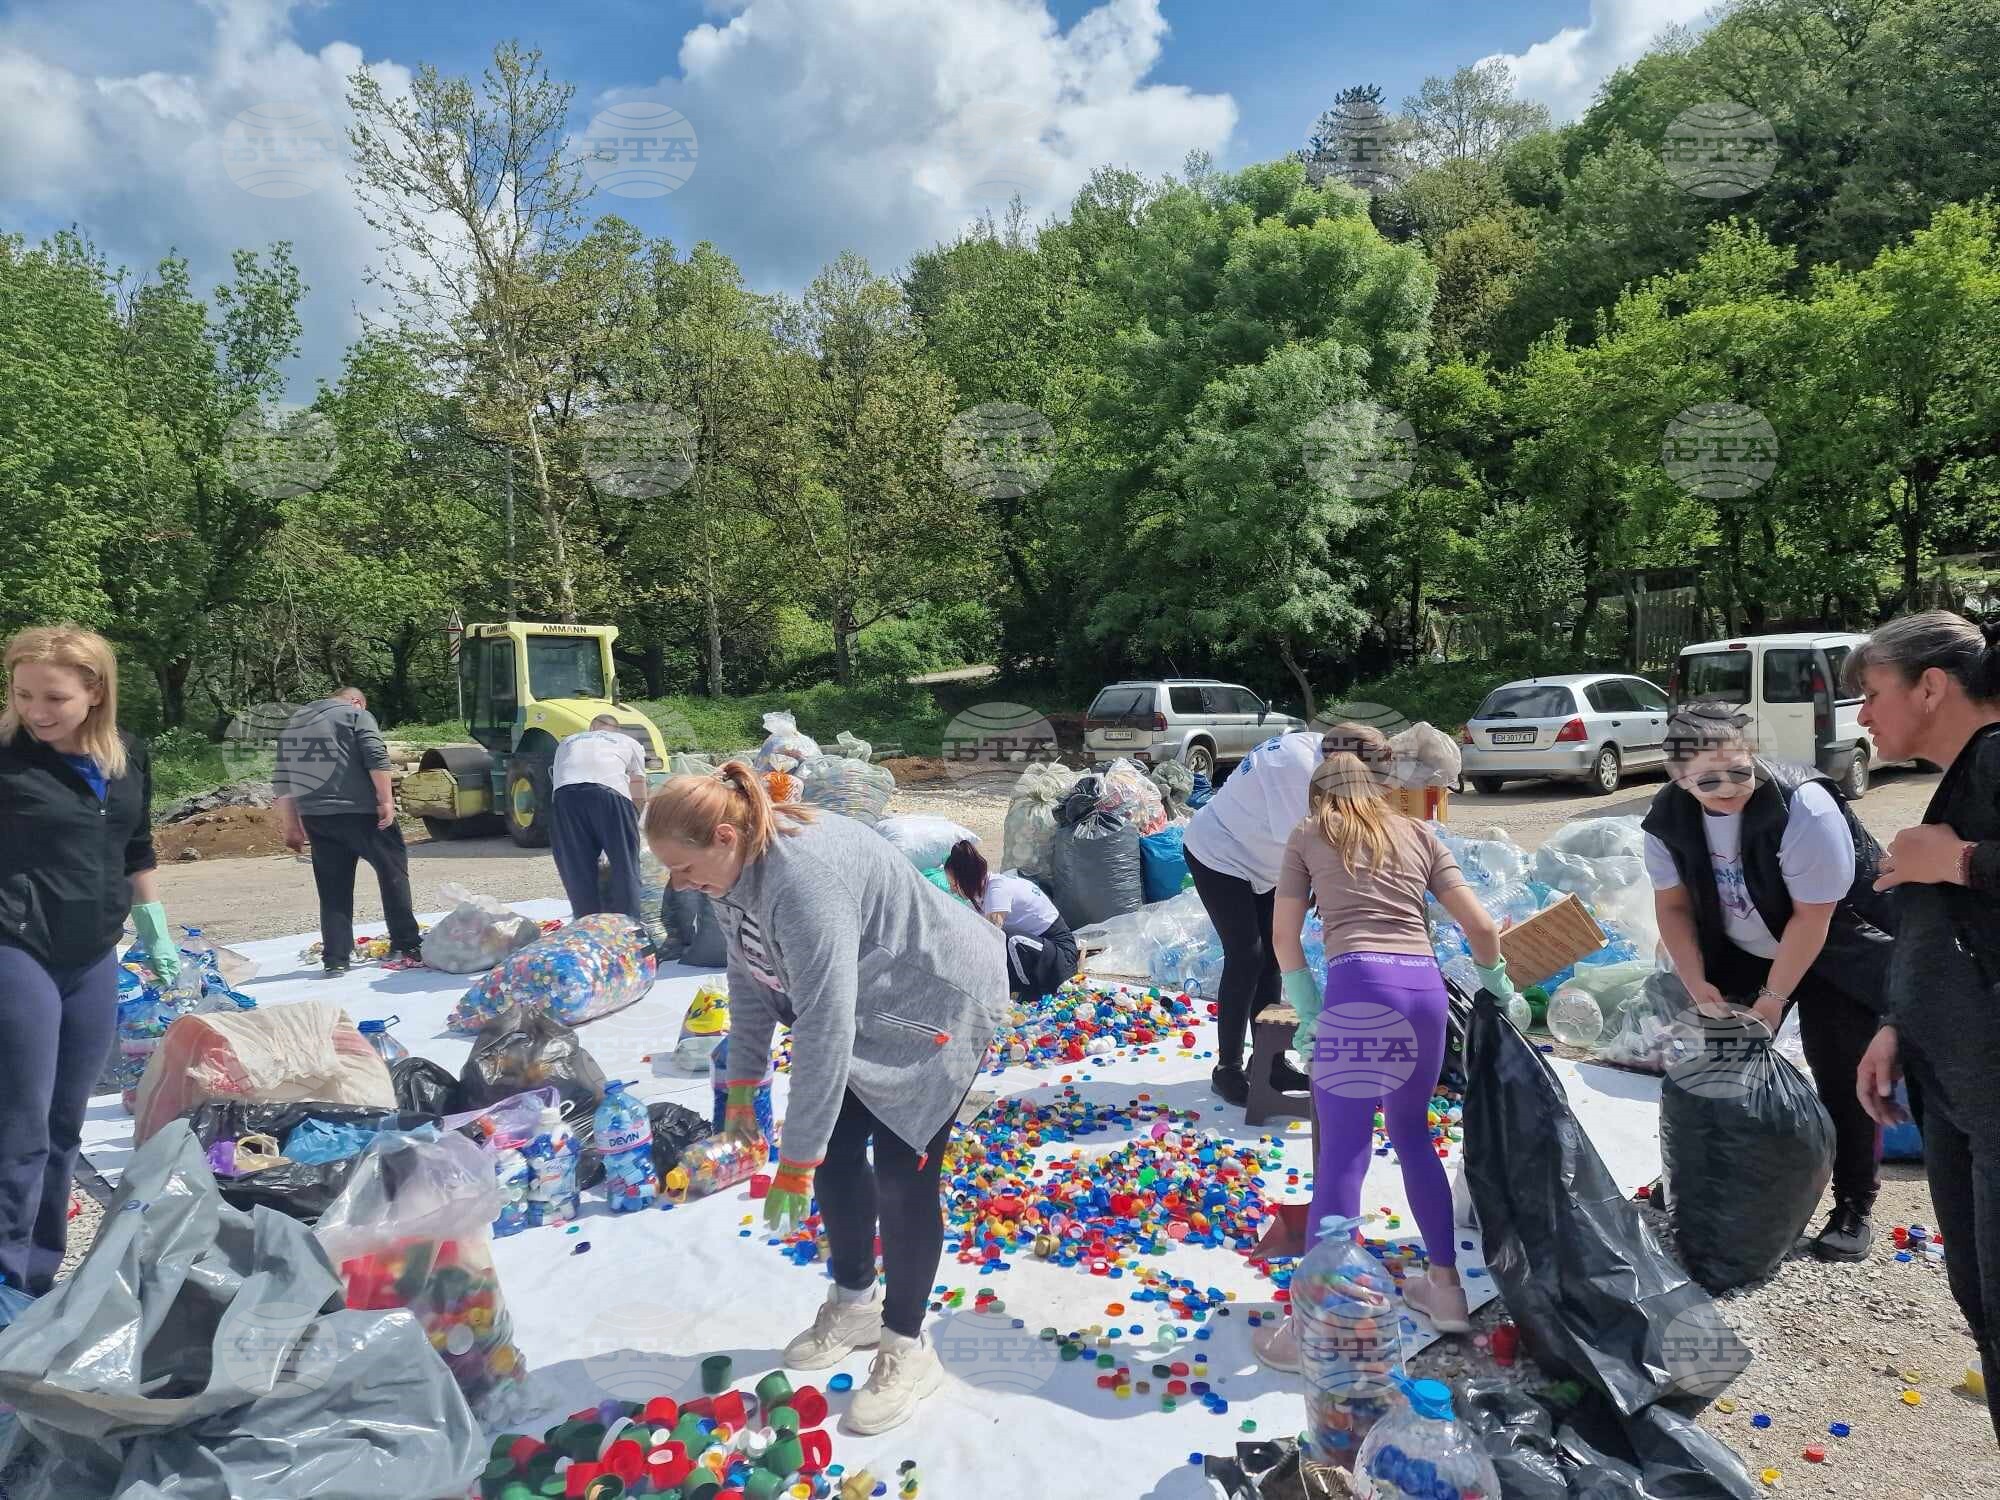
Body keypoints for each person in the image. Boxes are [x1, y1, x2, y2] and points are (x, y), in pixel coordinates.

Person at [643, 763, 1007, 1434]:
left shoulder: (803, 882)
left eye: (683, 867)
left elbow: (824, 1028)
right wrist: (743, 1090)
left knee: (901, 1171)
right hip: (869, 1000)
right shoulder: (729, 869)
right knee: (837, 1153)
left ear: (724, 836)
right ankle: (855, 1303)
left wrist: (793, 1161)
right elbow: (750, 975)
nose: (678, 883)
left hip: (936, 1003)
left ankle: (906, 1346)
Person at [1251, 750, 1517, 1371]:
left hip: (1359, 984)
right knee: (1413, 1134)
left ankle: (1318, 1324)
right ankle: (1446, 1289)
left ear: (1319, 796)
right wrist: (1499, 986)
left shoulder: (1310, 833)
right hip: (1424, 988)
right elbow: (1482, 927)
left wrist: (1309, 1010)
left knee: (1345, 1152)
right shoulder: (1418, 833)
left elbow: (1283, 937)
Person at [1640, 698, 1896, 1261]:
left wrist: (1773, 1000)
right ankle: (1698, 1174)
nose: (1730, 788)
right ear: (1679, 780)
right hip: (1742, 947)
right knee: (1715, 1063)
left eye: (1740, 770)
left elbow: (1813, 918)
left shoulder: (1803, 804)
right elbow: (1674, 907)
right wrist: (1697, 983)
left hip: (1833, 947)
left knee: (1844, 1072)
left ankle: (1854, 1203)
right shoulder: (1666, 819)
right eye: (1708, 781)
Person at [1849, 611, 2000, 1442]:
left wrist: (1962, 861)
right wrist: (1895, 1024)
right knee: (1982, 1308)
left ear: (1932, 686)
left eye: (1874, 693)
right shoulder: (1962, 775)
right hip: (1954, 1085)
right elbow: (1951, 931)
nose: (1863, 715)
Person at [0, 625, 180, 1298]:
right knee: (19, 1122)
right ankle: (4, 1281)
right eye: (23, 695)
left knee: (63, 1122)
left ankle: (37, 1276)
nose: (36, 711)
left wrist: (154, 928)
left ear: (95, 691)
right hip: (17, 945)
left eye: (54, 697)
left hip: (93, 953)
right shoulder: (8, 760)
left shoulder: (127, 755)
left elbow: (137, 847)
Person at [1183, 724, 1390, 1106]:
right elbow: (1304, 843)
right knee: (1247, 955)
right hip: (1218, 853)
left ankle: (1270, 1062)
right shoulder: (1296, 770)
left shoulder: (1321, 756)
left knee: (1276, 955)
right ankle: (1227, 1069)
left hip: (1262, 862)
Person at [272, 687, 420, 975]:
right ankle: (406, 943)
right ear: (356, 701)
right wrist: (386, 800)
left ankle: (336, 958)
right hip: (363, 813)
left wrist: (291, 826)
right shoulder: (355, 716)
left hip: (317, 818)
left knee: (333, 888)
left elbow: (283, 780)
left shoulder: (295, 724)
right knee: (392, 873)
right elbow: (376, 756)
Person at [942, 839, 1078, 1002]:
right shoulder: (978, 898)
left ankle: (1029, 992)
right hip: (1039, 952)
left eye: (954, 885)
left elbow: (991, 936)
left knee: (1007, 939)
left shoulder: (997, 888)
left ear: (966, 880)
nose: (952, 891)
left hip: (1060, 956)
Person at [550, 714, 650, 924]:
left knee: (576, 867)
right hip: (610, 793)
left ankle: (587, 926)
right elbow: (638, 787)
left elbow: (559, 778)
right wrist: (635, 820)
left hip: (565, 797)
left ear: (591, 728)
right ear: (616, 730)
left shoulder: (567, 741)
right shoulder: (628, 741)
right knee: (625, 863)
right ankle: (628, 926)